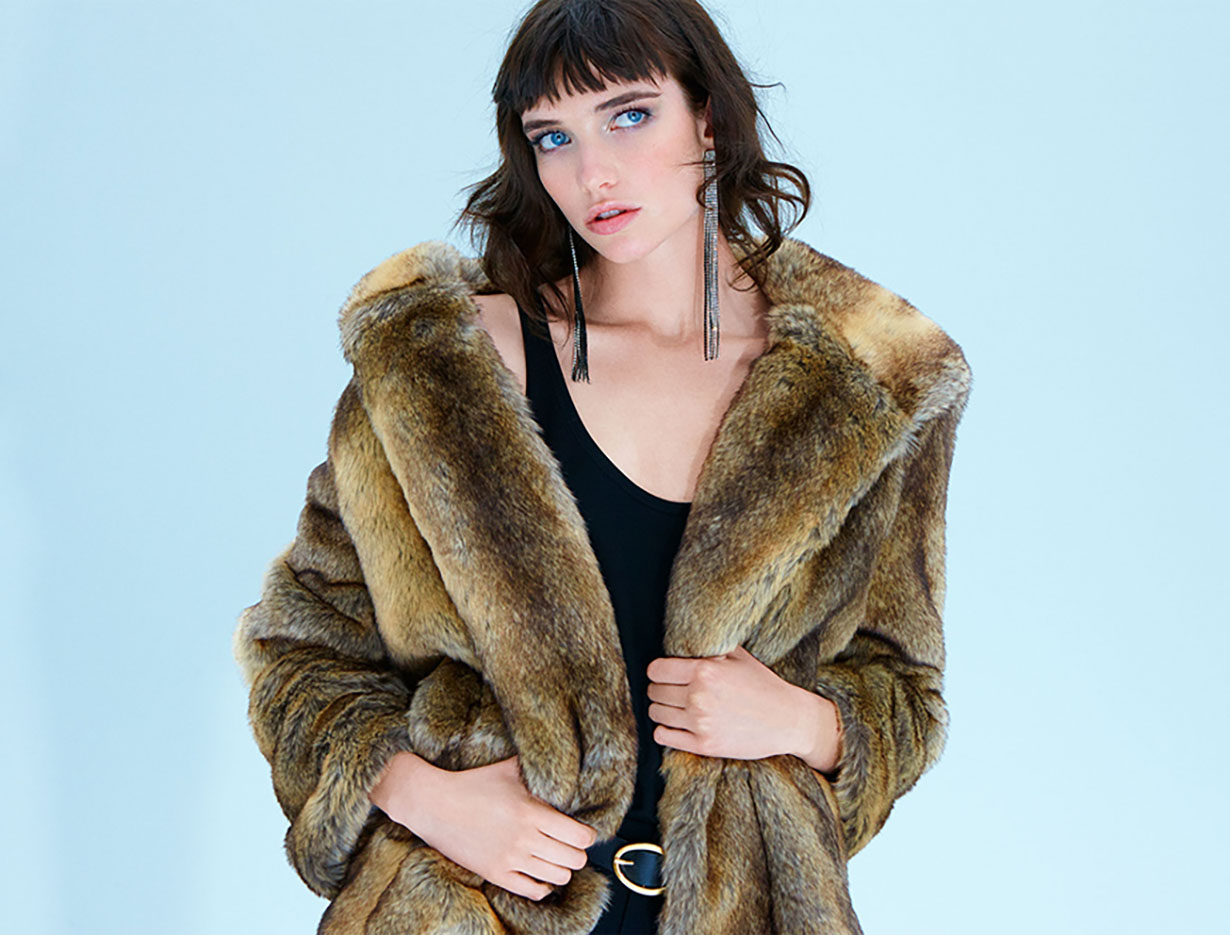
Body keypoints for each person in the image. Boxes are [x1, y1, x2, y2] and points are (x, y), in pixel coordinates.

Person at [232, 1, 973, 933]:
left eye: (629, 115)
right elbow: (300, 649)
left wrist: (802, 722)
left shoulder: (872, 388)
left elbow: (904, 690)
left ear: (708, 116)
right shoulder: (446, 368)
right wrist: (426, 796)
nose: (592, 174)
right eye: (553, 137)